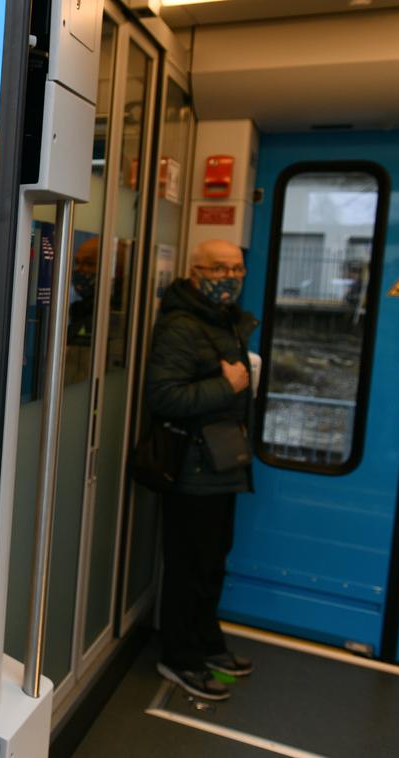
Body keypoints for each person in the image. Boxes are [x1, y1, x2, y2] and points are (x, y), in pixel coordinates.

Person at [145, 238, 258, 701]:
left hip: (223, 463)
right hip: (192, 469)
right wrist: (225, 386)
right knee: (189, 568)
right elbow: (164, 397)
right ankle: (180, 657)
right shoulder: (181, 326)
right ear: (196, 273)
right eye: (218, 269)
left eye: (236, 269)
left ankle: (207, 643)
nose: (229, 277)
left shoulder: (226, 322)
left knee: (213, 564)